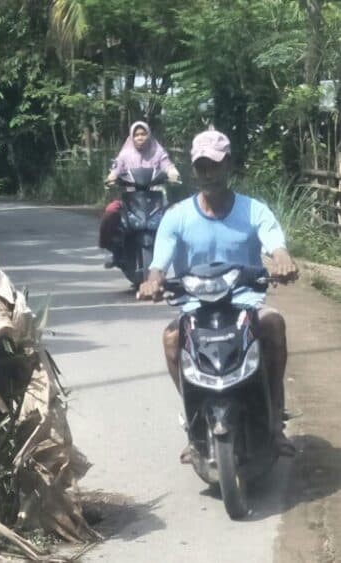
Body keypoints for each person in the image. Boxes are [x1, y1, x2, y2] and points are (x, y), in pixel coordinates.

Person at [137, 129, 299, 458]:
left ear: (229, 165)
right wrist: (152, 281)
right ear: (194, 170)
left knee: (274, 326)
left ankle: (273, 424)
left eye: (214, 164)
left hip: (244, 302)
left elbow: (275, 244)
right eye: (201, 166)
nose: (207, 173)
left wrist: (283, 261)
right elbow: (159, 262)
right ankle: (194, 423)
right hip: (195, 306)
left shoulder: (254, 210)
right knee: (170, 340)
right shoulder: (177, 216)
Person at [99, 121, 180, 268]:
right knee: (110, 212)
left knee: (176, 213)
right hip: (130, 199)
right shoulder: (124, 154)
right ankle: (115, 251)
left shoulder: (158, 152)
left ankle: (178, 255)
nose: (140, 137)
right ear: (131, 137)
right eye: (136, 135)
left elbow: (167, 165)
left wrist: (173, 172)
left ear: (149, 135)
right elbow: (116, 168)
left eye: (143, 134)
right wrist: (112, 176)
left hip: (155, 199)